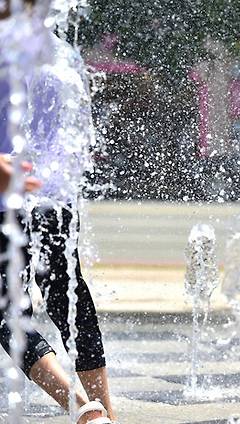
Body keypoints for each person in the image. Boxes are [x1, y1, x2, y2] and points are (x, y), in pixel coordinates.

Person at [0, 3, 115, 423]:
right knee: (69, 300)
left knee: (9, 313)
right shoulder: (63, 52)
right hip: (56, 200)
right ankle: (109, 414)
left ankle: (82, 409)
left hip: (6, 198)